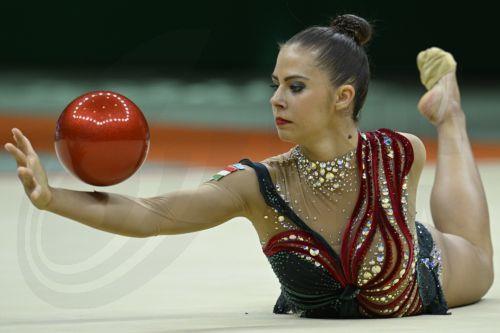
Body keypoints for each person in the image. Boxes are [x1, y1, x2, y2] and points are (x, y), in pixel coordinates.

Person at [4, 14, 494, 318]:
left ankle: (450, 114)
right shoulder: (257, 187)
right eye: (274, 84)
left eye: (295, 87)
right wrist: (52, 199)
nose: (276, 99)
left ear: (343, 97)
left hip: (424, 275)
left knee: (481, 260)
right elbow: (152, 213)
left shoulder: (399, 153)